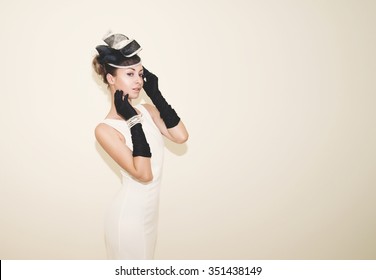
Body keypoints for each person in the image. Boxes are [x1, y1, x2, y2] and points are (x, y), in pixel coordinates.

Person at [92, 32, 188, 259]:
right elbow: (144, 174)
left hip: (149, 217)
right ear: (111, 78)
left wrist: (156, 95)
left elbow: (181, 136)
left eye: (141, 74)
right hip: (128, 220)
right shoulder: (105, 129)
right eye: (129, 74)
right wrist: (132, 121)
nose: (138, 80)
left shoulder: (148, 111)